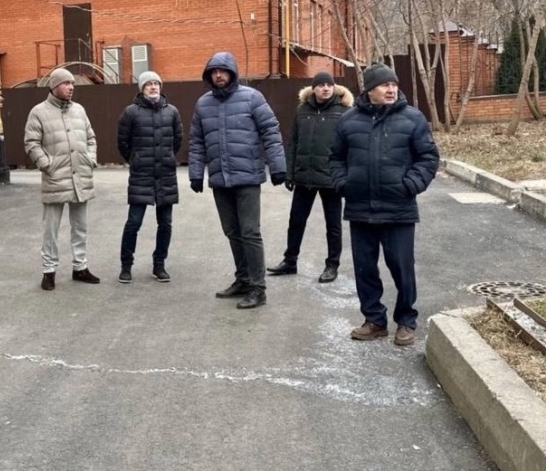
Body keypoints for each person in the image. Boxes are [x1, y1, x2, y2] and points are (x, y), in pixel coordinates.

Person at [330, 63, 439, 347]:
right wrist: (344, 183)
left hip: (398, 209)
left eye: (394, 84)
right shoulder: (348, 120)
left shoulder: (412, 118)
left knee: (402, 268)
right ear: (369, 89)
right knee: (365, 269)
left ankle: (406, 321)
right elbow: (335, 158)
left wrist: (410, 185)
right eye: (384, 85)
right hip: (360, 209)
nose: (391, 89)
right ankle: (374, 321)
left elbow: (428, 157)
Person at [187, 51, 287, 309]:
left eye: (223, 71)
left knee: (250, 232)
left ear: (232, 73)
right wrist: (196, 173)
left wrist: (278, 166)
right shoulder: (203, 104)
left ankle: (258, 288)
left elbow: (270, 130)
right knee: (232, 231)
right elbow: (196, 141)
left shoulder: (252, 97)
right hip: (220, 178)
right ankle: (243, 279)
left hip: (247, 177)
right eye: (214, 72)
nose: (218, 75)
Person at [267, 71, 352, 283]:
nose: (326, 88)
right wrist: (290, 172)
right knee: (296, 221)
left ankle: (332, 265)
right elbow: (293, 142)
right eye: (321, 85)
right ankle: (290, 261)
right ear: (313, 88)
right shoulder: (302, 110)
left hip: (331, 178)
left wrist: (345, 175)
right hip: (304, 176)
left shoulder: (344, 111)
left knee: (333, 225)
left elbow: (350, 145)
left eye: (329, 85)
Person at [24, 67, 100, 290]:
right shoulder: (39, 112)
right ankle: (49, 271)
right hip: (55, 178)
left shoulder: (79, 110)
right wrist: (47, 165)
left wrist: (90, 159)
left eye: (72, 84)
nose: (71, 87)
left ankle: (80, 267)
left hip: (80, 176)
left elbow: (91, 138)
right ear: (54, 86)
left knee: (80, 227)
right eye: (67, 83)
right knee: (51, 229)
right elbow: (31, 143)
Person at [116, 71, 183, 284]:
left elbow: (177, 140)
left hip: (165, 175)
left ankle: (159, 265)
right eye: (148, 84)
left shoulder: (172, 112)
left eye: (156, 83)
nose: (153, 87)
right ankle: (126, 266)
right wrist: (134, 159)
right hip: (141, 175)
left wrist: (167, 157)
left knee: (165, 224)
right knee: (133, 223)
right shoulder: (131, 112)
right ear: (142, 89)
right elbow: (123, 142)